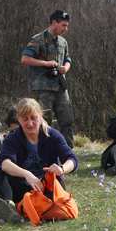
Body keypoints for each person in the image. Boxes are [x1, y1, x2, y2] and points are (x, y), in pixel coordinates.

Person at [0, 98, 78, 223]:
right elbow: (5, 163)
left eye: (33, 118)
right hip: (24, 185)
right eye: (25, 119)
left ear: (40, 116)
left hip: (46, 186)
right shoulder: (13, 138)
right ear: (19, 119)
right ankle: (10, 207)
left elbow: (72, 159)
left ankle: (29, 208)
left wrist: (62, 169)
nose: (30, 123)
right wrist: (27, 174)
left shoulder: (52, 135)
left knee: (53, 189)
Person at [21, 10, 75, 148]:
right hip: (43, 87)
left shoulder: (63, 42)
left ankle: (67, 152)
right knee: (44, 120)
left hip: (60, 86)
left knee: (67, 120)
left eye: (66, 26)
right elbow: (25, 59)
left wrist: (66, 68)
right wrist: (46, 64)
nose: (65, 29)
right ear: (54, 23)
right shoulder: (38, 39)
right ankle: (42, 150)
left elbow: (68, 58)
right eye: (63, 25)